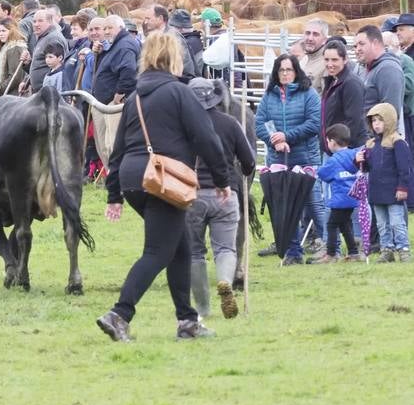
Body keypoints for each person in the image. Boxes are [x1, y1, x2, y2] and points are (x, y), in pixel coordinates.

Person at [96, 32, 230, 342]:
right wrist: (222, 179)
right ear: (175, 58)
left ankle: (187, 320)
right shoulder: (179, 93)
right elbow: (206, 138)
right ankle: (119, 314)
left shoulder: (135, 97)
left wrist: (114, 194)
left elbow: (117, 151)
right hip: (163, 179)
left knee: (179, 247)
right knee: (157, 252)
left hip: (133, 179)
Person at [184, 78, 255, 320]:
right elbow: (249, 160)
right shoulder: (231, 123)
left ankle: (203, 308)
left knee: (194, 252)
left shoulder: (182, 126)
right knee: (225, 247)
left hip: (192, 195)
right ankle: (225, 280)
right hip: (226, 193)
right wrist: (244, 172)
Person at [255, 54, 323, 264]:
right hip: (279, 159)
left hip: (305, 158)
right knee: (286, 208)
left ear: (296, 71)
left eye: (289, 70)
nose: (285, 74)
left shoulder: (309, 94)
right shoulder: (269, 96)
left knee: (314, 205)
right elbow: (261, 124)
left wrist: (288, 136)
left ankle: (331, 246)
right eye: (281, 70)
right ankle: (293, 253)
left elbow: (314, 124)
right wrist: (275, 140)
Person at [356, 103, 412, 263]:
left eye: (380, 120)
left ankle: (403, 249)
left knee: (396, 222)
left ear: (389, 120)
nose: (376, 124)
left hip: (394, 191)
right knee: (382, 224)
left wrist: (402, 187)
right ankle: (386, 249)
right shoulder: (371, 144)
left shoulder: (397, 142)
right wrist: (359, 161)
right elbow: (368, 167)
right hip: (376, 192)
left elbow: (404, 168)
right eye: (373, 121)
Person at [316, 125, 363, 262]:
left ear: (333, 142)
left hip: (340, 199)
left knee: (331, 224)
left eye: (327, 142)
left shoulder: (334, 160)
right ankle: (353, 253)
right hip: (353, 198)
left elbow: (322, 174)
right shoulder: (354, 154)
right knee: (345, 224)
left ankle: (331, 254)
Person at [355, 24, 405, 136]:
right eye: (355, 45)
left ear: (376, 43)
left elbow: (390, 114)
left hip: (381, 144)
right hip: (368, 141)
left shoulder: (388, 69)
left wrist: (380, 146)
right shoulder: (371, 68)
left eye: (361, 44)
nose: (357, 49)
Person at [321, 40, 367, 149]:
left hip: (345, 150)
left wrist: (340, 147)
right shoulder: (332, 81)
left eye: (335, 60)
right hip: (332, 147)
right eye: (326, 60)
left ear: (345, 59)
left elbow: (353, 121)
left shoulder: (351, 83)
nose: (330, 64)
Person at [93, 13, 138, 105]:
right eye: (104, 29)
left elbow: (129, 70)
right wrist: (102, 54)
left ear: (121, 28)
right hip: (107, 103)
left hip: (114, 104)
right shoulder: (118, 44)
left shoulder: (124, 45)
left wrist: (120, 93)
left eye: (110, 28)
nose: (106, 32)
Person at [381, 31, 414, 141]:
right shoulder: (382, 63)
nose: (383, 50)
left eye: (386, 46)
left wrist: (392, 82)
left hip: (406, 114)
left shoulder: (405, 60)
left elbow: (410, 85)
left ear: (396, 45)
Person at [26, 9, 68, 93]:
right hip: (40, 92)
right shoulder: (43, 37)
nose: (36, 24)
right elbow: (39, 64)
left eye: (40, 21)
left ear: (50, 22)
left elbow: (60, 66)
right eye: (34, 21)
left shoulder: (53, 38)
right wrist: (26, 81)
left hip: (48, 93)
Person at [288, 19, 330, 89]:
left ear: (324, 40)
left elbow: (327, 98)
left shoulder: (327, 64)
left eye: (315, 34)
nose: (310, 38)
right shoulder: (304, 60)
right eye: (307, 33)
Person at [0, 17, 26, 99]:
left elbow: (15, 77)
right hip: (7, 95)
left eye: (4, 31)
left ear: (12, 31)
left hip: (12, 96)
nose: (0, 34)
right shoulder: (5, 47)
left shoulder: (15, 48)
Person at [167, 9, 202, 78]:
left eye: (171, 27)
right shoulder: (195, 39)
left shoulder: (183, 42)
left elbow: (187, 69)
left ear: (179, 28)